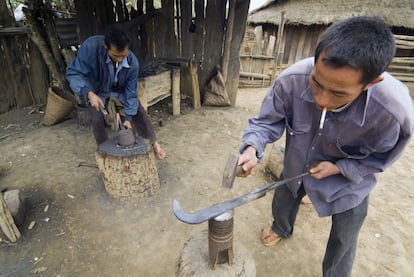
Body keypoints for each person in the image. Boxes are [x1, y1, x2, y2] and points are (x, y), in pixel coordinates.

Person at [238, 16, 414, 276]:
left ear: (371, 83)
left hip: (348, 183)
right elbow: (266, 122)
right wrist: (252, 148)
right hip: (297, 164)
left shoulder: (392, 112)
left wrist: (339, 168)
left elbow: (381, 158)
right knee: (285, 197)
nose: (321, 99)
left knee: (345, 234)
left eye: (339, 93)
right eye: (316, 83)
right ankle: (281, 228)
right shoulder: (292, 80)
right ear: (316, 59)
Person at [66, 25, 166, 159]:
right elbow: (73, 73)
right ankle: (105, 154)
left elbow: (130, 93)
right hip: (96, 90)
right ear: (105, 46)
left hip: (119, 91)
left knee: (137, 110)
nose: (119, 59)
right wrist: (88, 93)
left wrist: (128, 118)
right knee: (96, 118)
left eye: (123, 55)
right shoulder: (91, 47)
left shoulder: (132, 62)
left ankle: (154, 144)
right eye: (115, 55)